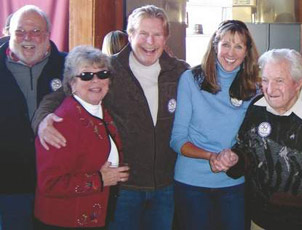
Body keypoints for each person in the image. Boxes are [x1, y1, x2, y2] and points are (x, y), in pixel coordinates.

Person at [32, 5, 189, 230]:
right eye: (143, 33)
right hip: (123, 187)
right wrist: (43, 120)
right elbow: (61, 94)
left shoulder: (180, 72)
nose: (150, 41)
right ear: (130, 34)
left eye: (157, 35)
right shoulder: (109, 69)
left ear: (166, 38)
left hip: (165, 187)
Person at [224, 49, 302, 230]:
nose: (270, 90)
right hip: (260, 220)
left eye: (279, 81)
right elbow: (247, 152)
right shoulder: (257, 108)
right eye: (265, 80)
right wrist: (234, 159)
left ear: (298, 83)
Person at [170, 20, 259, 230]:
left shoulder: (253, 89)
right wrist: (211, 156)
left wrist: (234, 156)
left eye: (239, 46)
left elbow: (251, 143)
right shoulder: (191, 79)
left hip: (232, 184)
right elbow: (177, 139)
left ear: (247, 52)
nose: (231, 52)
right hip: (191, 183)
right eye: (226, 44)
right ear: (215, 46)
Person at [34, 45, 129, 229]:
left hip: (97, 215)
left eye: (102, 74)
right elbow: (49, 183)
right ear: (71, 83)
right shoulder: (60, 122)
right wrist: (99, 180)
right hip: (64, 221)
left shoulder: (101, 110)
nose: (96, 81)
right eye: (86, 75)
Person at [0, 5, 66, 230]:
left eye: (36, 31)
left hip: (59, 184)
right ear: (9, 33)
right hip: (7, 186)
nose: (28, 38)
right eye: (20, 31)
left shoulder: (70, 68)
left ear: (48, 35)